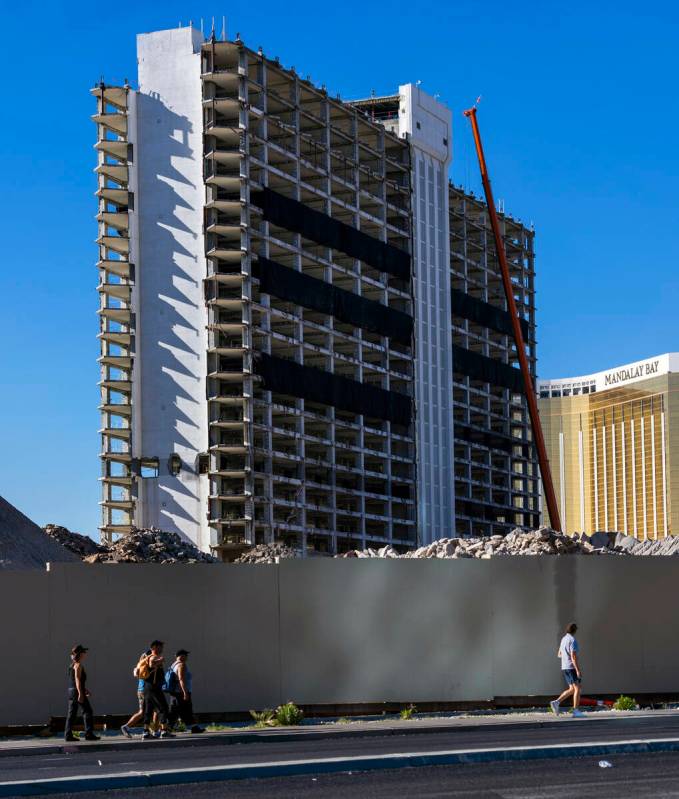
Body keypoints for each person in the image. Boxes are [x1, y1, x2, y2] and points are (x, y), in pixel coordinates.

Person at [65, 645, 100, 741]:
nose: (85, 654)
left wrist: (84, 689)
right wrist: (81, 693)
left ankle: (68, 735)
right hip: (77, 692)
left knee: (71, 714)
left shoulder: (72, 665)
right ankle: (89, 734)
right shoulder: (78, 665)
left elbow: (74, 680)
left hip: (71, 691)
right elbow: (77, 679)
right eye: (84, 652)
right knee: (87, 711)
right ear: (80, 654)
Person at [141, 640, 174, 739]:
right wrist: (160, 660)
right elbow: (152, 664)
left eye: (162, 647)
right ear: (154, 648)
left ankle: (146, 732)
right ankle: (164, 731)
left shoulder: (147, 657)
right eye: (159, 647)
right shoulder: (153, 657)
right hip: (154, 687)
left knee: (148, 710)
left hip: (147, 687)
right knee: (163, 708)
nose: (161, 649)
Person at [550, 622, 584, 717]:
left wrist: (566, 656)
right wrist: (577, 670)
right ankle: (575, 711)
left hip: (564, 667)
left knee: (572, 689)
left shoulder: (563, 639)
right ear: (575, 630)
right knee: (577, 688)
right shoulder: (572, 640)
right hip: (571, 667)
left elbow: (559, 654)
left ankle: (556, 702)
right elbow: (573, 657)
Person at [166, 650, 203, 734]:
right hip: (181, 692)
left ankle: (194, 727)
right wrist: (185, 692)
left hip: (175, 692)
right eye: (185, 655)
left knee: (181, 710)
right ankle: (167, 728)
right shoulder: (181, 665)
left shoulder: (173, 664)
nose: (187, 657)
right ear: (180, 656)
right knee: (179, 710)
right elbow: (181, 679)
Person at [120, 648, 151, 738]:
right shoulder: (144, 665)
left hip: (142, 690)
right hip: (144, 690)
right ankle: (126, 726)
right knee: (143, 712)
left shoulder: (140, 665)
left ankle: (152, 730)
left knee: (150, 711)